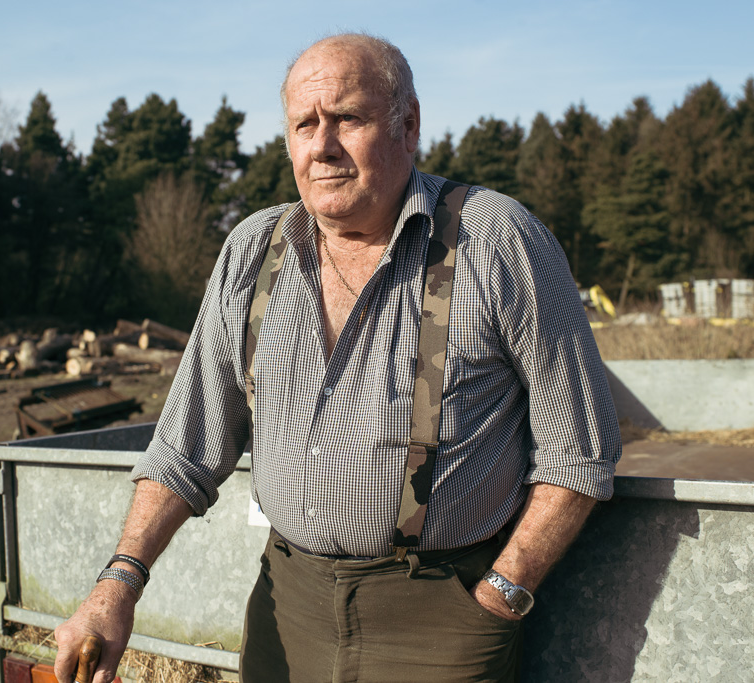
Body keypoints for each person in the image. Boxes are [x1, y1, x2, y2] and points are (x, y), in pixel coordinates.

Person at [54, 33, 621, 683]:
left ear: (406, 124)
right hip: (285, 611)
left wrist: (499, 596)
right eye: (303, 123)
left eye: (346, 118)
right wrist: (115, 587)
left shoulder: (493, 238)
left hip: (440, 621)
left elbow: (578, 453)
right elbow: (185, 450)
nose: (321, 145)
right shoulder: (252, 252)